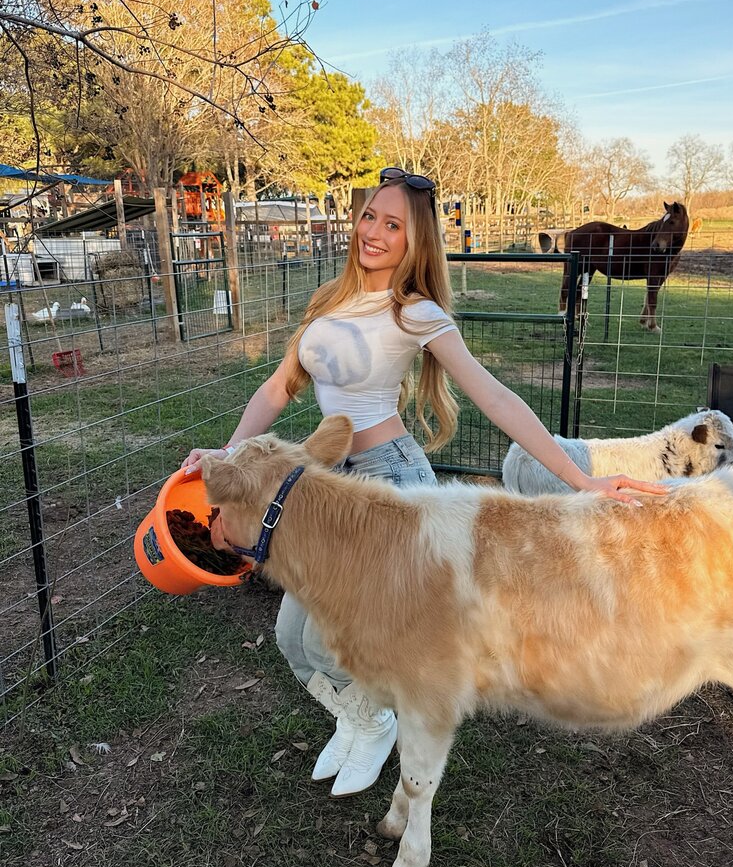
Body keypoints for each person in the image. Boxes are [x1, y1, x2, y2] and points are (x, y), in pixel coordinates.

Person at [181, 167, 667, 798]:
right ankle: (361, 719)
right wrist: (225, 455)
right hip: (325, 485)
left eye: (394, 225)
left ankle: (376, 720)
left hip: (389, 486)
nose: (374, 233)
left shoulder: (415, 312)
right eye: (370, 217)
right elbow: (278, 389)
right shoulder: (327, 301)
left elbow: (494, 396)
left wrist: (579, 478)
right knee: (291, 639)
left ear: (415, 242)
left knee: (334, 641)